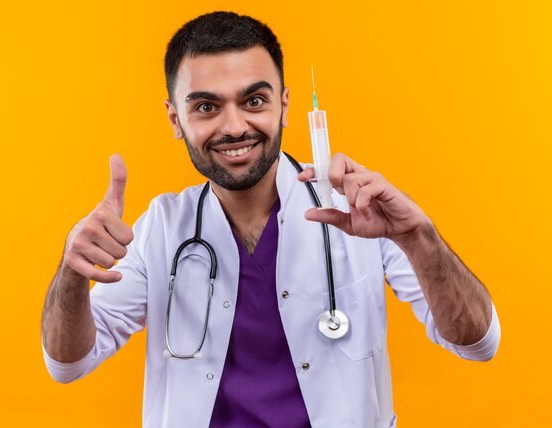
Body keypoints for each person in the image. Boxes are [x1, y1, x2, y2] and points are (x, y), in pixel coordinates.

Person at [41, 11, 500, 428]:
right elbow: (68, 364)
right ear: (174, 118)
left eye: (254, 101)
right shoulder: (161, 228)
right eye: (206, 107)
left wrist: (419, 237)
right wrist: (71, 273)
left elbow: (478, 343)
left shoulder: (360, 211)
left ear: (284, 104)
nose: (234, 126)